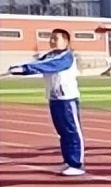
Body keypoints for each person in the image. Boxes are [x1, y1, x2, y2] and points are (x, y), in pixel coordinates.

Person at [4, 28, 85, 175]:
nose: (52, 41)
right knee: (61, 132)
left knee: (71, 131)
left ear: (66, 41)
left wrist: (24, 68)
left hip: (67, 98)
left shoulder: (66, 57)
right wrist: (20, 69)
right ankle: (68, 160)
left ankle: (76, 163)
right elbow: (37, 65)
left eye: (56, 38)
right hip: (54, 98)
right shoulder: (48, 55)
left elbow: (49, 65)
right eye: (51, 38)